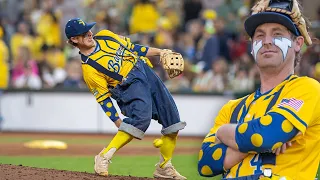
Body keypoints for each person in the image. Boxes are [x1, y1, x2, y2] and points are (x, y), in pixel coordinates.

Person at [198, 0, 320, 179]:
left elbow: (265, 136)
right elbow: (206, 164)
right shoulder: (231, 108)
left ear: (297, 43)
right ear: (252, 47)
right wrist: (259, 140)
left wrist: (224, 133)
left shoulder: (308, 88)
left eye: (277, 34)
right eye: (260, 36)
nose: (267, 42)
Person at [64, 18, 186, 179]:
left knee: (173, 122)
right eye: (83, 33)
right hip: (128, 86)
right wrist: (117, 121)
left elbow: (134, 48)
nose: (89, 33)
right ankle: (104, 156)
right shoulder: (89, 70)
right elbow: (103, 99)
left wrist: (161, 52)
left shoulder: (106, 35)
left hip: (145, 71)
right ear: (74, 39)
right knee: (141, 120)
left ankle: (164, 167)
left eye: (88, 30)